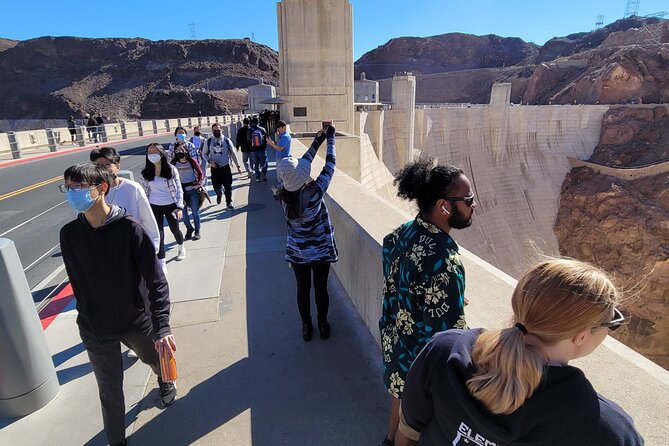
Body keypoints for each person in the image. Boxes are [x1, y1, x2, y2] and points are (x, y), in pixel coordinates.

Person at [396, 258, 644, 446]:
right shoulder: (604, 428)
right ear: (580, 335)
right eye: (611, 321)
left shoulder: (444, 350)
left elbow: (409, 427)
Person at [58, 162, 177, 446]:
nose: (72, 193)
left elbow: (156, 281)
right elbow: (77, 280)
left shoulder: (130, 230)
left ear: (102, 188)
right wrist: (86, 312)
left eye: (78, 187)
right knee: (109, 391)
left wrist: (162, 327)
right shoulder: (69, 234)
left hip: (135, 321)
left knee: (155, 360)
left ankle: (165, 380)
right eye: (68, 187)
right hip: (94, 327)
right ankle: (116, 441)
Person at [379, 160, 476, 446]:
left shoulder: (400, 234)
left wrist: (450, 295)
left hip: (394, 341)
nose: (474, 205)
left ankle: (386, 439)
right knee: (410, 431)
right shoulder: (444, 263)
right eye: (468, 200)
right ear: (444, 206)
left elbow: (402, 282)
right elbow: (450, 338)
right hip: (418, 360)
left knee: (397, 399)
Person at [275, 124, 337, 341]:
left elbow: (299, 170)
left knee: (303, 289)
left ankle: (306, 326)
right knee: (321, 288)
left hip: (297, 251)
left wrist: (316, 142)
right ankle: (322, 323)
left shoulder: (283, 196)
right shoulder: (314, 192)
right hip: (319, 250)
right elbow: (330, 164)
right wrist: (329, 139)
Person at [90, 147, 160, 255]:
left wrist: (153, 249)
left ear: (117, 166)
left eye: (107, 165)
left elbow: (147, 220)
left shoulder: (133, 188)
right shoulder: (90, 192)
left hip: (132, 249)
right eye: (98, 166)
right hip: (104, 252)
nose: (102, 170)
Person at [139, 143, 186, 263]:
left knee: (175, 229)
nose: (152, 155)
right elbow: (143, 192)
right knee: (158, 234)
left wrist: (179, 207)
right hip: (154, 206)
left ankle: (181, 248)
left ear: (161, 153)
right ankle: (162, 261)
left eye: (154, 152)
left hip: (171, 206)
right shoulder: (145, 172)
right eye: (149, 152)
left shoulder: (171, 169)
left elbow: (179, 188)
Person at [203, 123, 241, 209]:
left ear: (221, 130)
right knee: (216, 187)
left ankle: (229, 202)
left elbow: (233, 153)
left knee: (228, 186)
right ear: (212, 131)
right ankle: (219, 194)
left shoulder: (227, 140)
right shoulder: (208, 141)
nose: (217, 132)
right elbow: (204, 154)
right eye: (214, 130)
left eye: (218, 130)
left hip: (225, 167)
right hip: (215, 169)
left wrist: (238, 166)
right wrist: (209, 161)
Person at [171, 142, 205, 241]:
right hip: (180, 192)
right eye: (177, 151)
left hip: (192, 190)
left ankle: (197, 231)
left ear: (186, 151)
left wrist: (198, 183)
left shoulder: (192, 161)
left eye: (182, 150)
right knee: (184, 214)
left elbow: (200, 173)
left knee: (195, 212)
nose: (179, 152)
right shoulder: (173, 163)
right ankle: (189, 228)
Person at [249, 116, 268, 182]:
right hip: (262, 149)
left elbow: (248, 140)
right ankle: (264, 174)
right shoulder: (262, 129)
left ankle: (257, 177)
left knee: (256, 164)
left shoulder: (250, 130)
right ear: (258, 122)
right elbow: (267, 138)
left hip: (254, 150)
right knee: (264, 163)